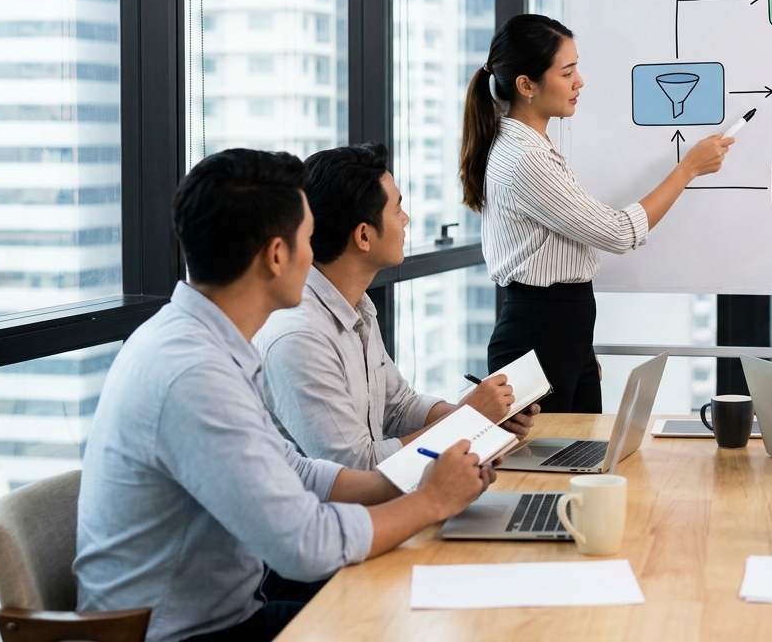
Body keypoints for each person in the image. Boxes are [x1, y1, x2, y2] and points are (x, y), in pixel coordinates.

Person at [76, 149, 492, 642]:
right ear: (276, 255)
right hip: (187, 635)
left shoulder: (203, 340)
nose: (314, 253)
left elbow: (293, 471)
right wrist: (430, 500)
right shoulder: (194, 373)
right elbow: (305, 544)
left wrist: (409, 478)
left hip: (227, 615)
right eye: (306, 236)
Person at [463, 14, 732, 413]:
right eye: (567, 71)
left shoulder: (530, 146)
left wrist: (576, 345)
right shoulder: (524, 159)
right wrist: (687, 169)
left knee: (581, 460)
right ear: (526, 85)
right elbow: (619, 233)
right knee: (548, 471)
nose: (580, 81)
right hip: (541, 334)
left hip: (562, 331)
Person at [255, 142, 538, 470]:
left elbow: (399, 408)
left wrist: (483, 416)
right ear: (363, 236)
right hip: (341, 515)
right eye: (396, 209)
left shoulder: (356, 305)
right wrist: (468, 418)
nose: (406, 219)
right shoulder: (299, 337)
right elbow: (356, 467)